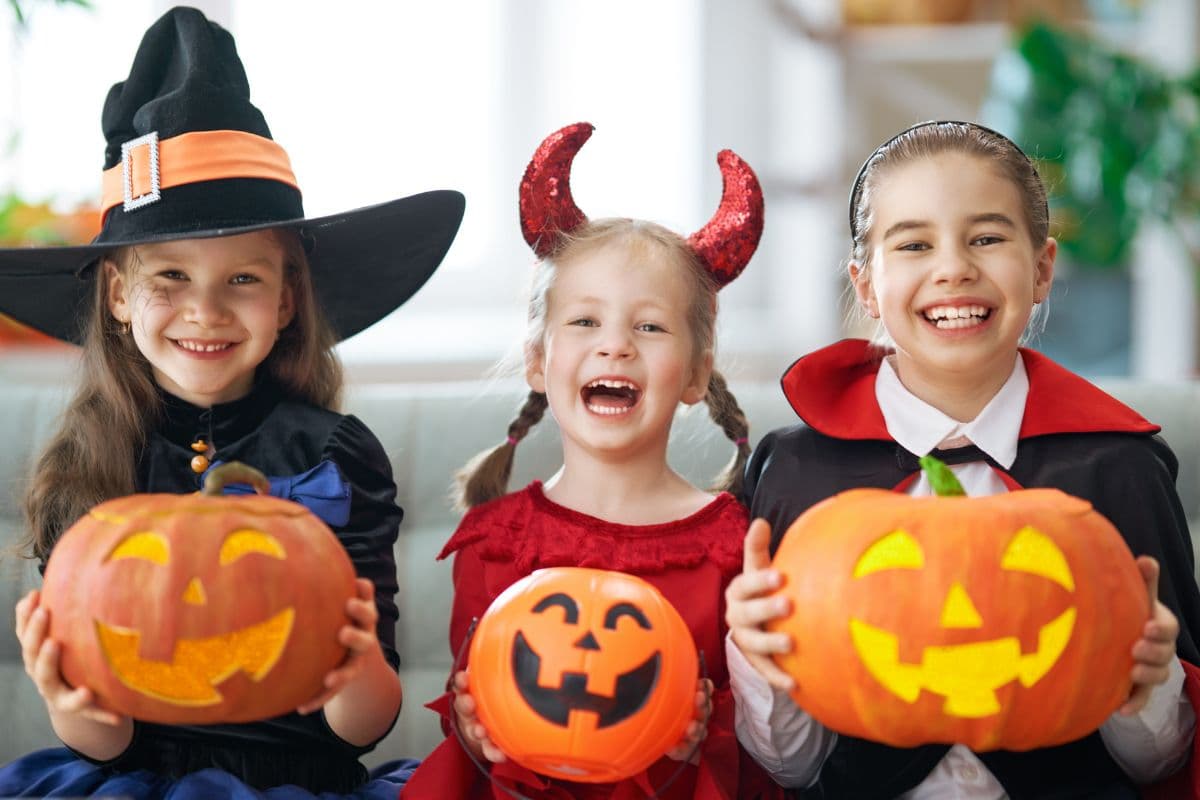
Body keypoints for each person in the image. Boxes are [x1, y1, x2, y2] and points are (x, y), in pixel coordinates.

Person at [0, 7, 464, 799]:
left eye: (242, 279)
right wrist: (68, 699)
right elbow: (107, 740)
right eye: (170, 277)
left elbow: (366, 719)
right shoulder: (88, 460)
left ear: (286, 301)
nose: (205, 311)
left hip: (304, 782)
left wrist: (354, 669)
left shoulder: (334, 455)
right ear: (117, 296)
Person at [723, 120, 1200, 799]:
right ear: (864, 285)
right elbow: (789, 770)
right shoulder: (799, 473)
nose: (954, 268)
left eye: (987, 238)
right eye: (915, 243)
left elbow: (1164, 766)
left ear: (1041, 270)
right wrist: (755, 652)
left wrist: (1149, 687)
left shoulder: (1120, 468)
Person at [400, 122, 780, 799]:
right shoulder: (496, 541)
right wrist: (471, 725)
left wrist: (706, 733)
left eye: (650, 326)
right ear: (540, 363)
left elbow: (766, 741)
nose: (615, 347)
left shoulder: (734, 550)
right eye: (585, 322)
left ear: (695, 375)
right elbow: (482, 719)